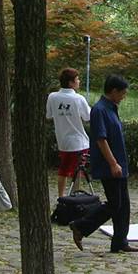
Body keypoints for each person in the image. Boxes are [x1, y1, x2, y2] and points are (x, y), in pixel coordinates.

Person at [72, 74, 136, 253]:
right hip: (109, 164)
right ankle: (81, 226)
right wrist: (113, 163)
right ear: (114, 91)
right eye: (122, 93)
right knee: (115, 203)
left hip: (119, 163)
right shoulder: (100, 109)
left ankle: (120, 241)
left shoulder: (112, 107)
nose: (124, 96)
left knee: (124, 204)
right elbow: (101, 139)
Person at [47, 67, 92, 200]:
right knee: (78, 171)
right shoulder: (78, 99)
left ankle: (61, 197)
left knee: (63, 170)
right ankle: (75, 197)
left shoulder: (52, 97)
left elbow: (48, 115)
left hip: (63, 141)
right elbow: (88, 117)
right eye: (77, 79)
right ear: (71, 83)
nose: (79, 82)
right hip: (79, 141)